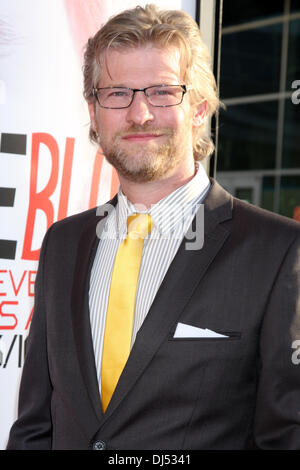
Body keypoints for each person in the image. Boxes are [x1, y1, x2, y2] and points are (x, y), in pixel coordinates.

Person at [7, 4, 300, 450]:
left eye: (162, 92)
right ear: (94, 111)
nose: (140, 114)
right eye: (118, 93)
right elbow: (35, 426)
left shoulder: (278, 251)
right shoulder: (63, 243)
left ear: (200, 108)